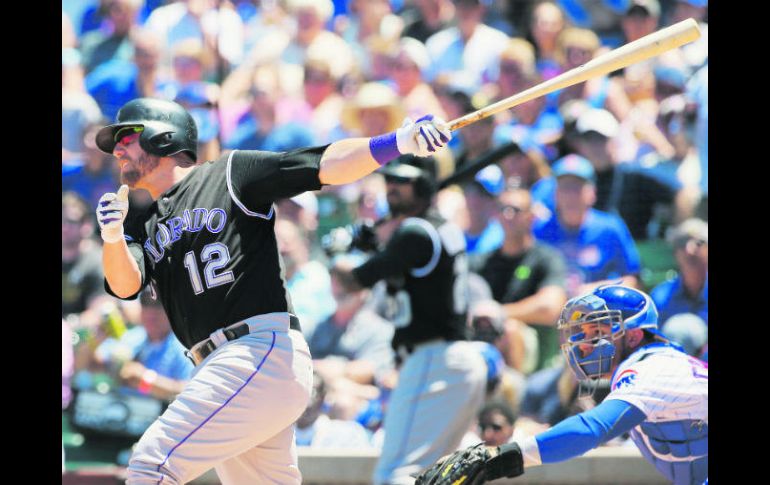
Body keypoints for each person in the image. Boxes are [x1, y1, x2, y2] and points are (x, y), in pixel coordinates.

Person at [93, 96, 452, 484]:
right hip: (226, 367)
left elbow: (320, 165)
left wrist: (396, 142)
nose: (117, 150)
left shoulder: (229, 173)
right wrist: (112, 237)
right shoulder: (143, 222)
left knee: (152, 461)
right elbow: (125, 286)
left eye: (126, 137)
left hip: (255, 351)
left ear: (163, 136)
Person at [415, 284, 708, 485]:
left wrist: (499, 458)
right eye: (584, 331)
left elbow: (592, 429)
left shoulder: (654, 369)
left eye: (598, 331)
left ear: (633, 336)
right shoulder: (657, 362)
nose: (585, 343)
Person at [331, 154, 487, 484]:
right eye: (389, 180)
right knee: (436, 477)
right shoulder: (439, 227)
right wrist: (376, 246)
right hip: (454, 361)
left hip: (434, 360)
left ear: (425, 186)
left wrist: (341, 251)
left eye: (402, 181)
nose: (392, 187)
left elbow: (355, 280)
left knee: (395, 474)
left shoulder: (415, 232)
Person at [473, 186, 568, 373]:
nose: (508, 215)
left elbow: (550, 308)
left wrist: (498, 313)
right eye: (503, 209)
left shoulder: (547, 258)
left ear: (530, 216)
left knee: (509, 329)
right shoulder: (481, 262)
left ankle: (513, 388)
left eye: (515, 210)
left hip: (534, 354)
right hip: (484, 340)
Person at [532, 155, 642, 297]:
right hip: (554, 306)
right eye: (565, 187)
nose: (571, 196)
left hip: (599, 306)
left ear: (592, 193)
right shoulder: (539, 230)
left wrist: (596, 290)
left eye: (577, 188)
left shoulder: (610, 228)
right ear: (555, 194)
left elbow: (632, 280)